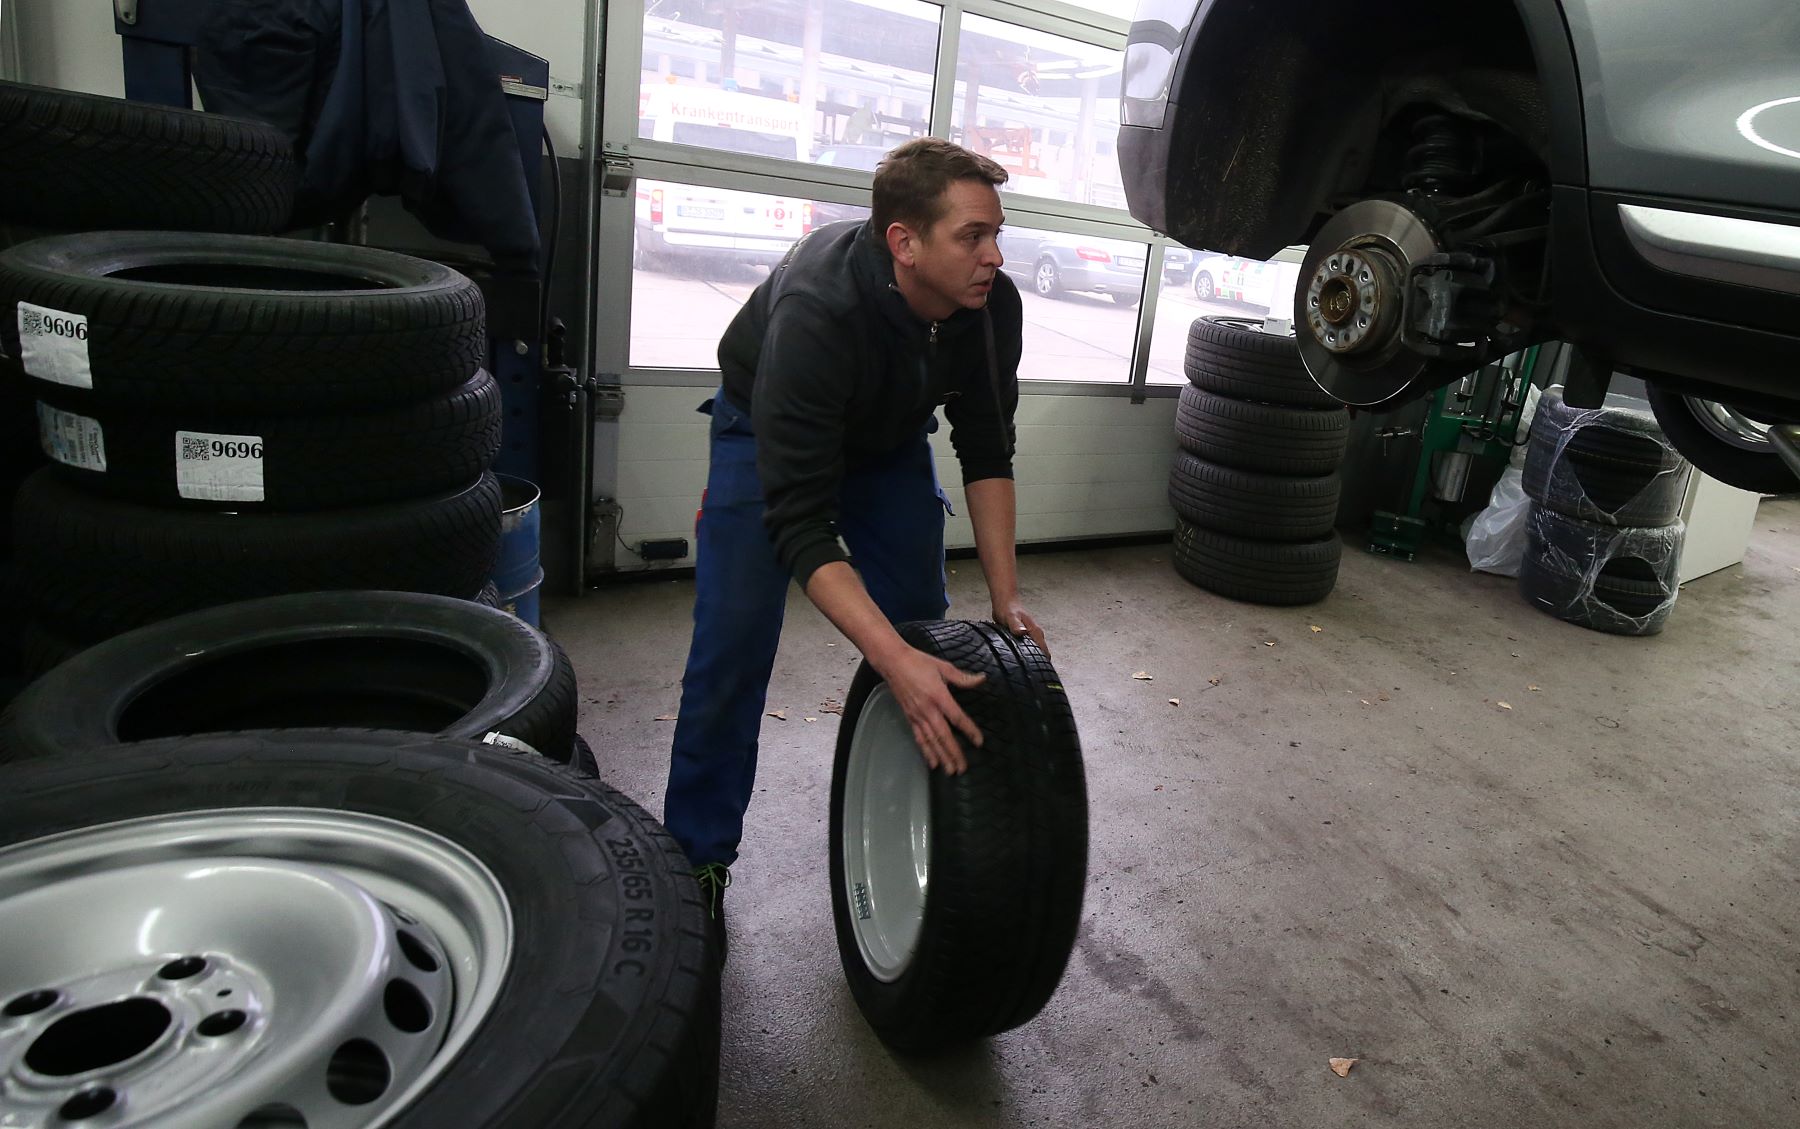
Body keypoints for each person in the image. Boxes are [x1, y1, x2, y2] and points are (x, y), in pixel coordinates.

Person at [662, 137, 1047, 951]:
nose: (994, 255)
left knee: (921, 625)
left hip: (887, 440)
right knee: (731, 648)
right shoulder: (819, 309)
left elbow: (986, 448)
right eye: (972, 237)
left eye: (997, 233)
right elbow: (801, 522)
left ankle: (919, 815)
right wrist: (891, 660)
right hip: (761, 431)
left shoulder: (989, 309)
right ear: (905, 243)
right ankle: (696, 861)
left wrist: (1006, 595)